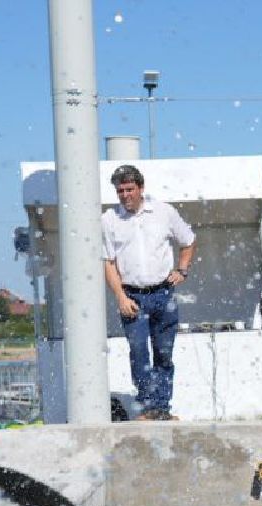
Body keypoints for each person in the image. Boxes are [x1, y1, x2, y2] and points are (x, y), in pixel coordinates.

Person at [101, 164, 196, 421]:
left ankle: (162, 408)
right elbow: (108, 262)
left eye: (129, 189)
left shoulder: (163, 212)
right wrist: (120, 297)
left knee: (164, 352)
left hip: (163, 293)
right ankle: (147, 406)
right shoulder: (109, 219)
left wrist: (182, 270)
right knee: (139, 351)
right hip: (132, 295)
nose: (125, 195)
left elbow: (188, 241)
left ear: (140, 188)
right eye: (120, 191)